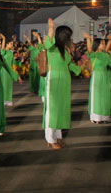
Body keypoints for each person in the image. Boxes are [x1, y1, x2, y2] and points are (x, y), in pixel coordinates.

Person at [44, 19, 81, 149]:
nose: (70, 38)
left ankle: (58, 136)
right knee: (52, 110)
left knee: (61, 109)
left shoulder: (65, 51)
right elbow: (47, 43)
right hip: (53, 80)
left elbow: (70, 64)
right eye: (68, 36)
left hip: (64, 81)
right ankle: (50, 138)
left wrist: (81, 69)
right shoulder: (52, 48)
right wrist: (51, 28)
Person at [83, 32, 111, 124]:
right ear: (97, 45)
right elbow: (89, 52)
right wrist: (88, 40)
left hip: (105, 76)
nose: (104, 45)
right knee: (97, 96)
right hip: (97, 76)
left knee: (105, 96)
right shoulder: (95, 54)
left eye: (104, 43)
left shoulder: (106, 55)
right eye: (102, 43)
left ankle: (105, 116)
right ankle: (95, 117)